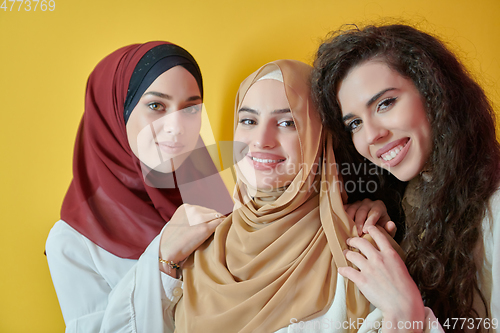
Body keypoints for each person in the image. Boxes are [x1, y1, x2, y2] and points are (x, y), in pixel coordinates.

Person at [103, 59, 444, 332]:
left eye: (287, 123)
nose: (261, 140)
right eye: (248, 121)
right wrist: (162, 260)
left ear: (317, 138)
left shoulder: (359, 249)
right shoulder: (197, 242)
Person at [312, 24, 500, 331]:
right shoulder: (413, 201)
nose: (372, 135)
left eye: (385, 103)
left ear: (435, 93)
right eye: (355, 124)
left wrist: (407, 313)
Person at [45, 41, 234, 332]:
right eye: (156, 106)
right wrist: (163, 257)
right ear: (116, 113)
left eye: (190, 108)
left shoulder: (217, 202)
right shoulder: (73, 242)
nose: (176, 127)